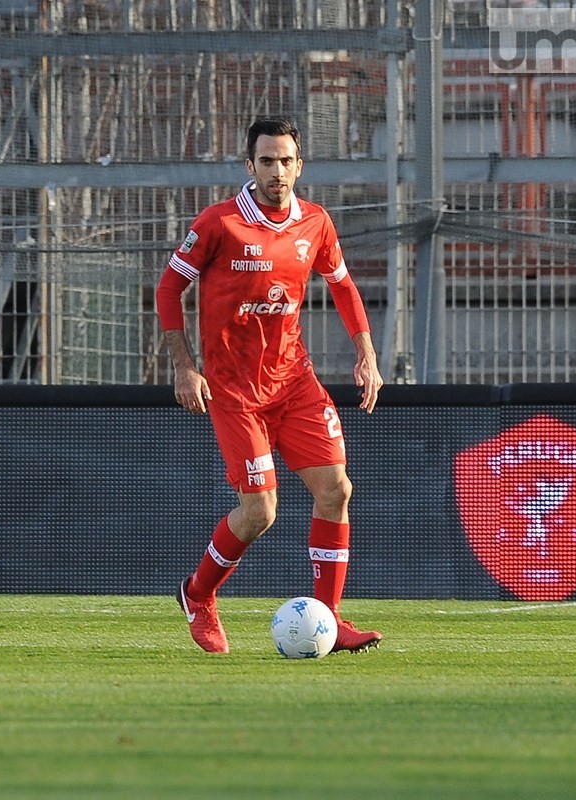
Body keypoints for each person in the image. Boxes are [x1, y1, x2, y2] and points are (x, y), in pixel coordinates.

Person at [156, 115, 384, 654]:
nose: (277, 171)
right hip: (235, 392)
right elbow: (168, 290)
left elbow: (344, 287)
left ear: (299, 166)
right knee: (260, 511)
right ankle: (198, 595)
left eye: (286, 161)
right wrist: (184, 366)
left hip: (294, 383)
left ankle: (329, 619)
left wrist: (367, 354)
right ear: (249, 166)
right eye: (266, 161)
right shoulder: (219, 224)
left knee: (337, 490)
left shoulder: (316, 223)